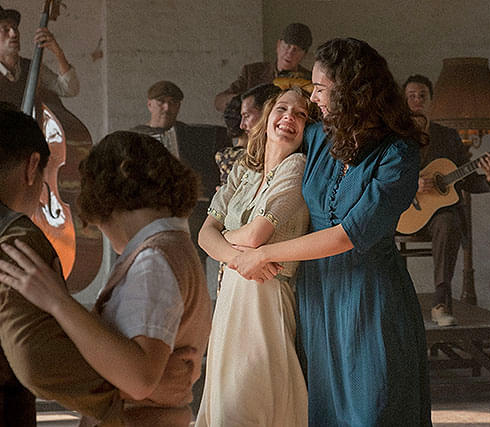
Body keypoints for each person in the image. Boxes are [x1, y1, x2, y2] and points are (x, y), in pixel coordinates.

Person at [229, 38, 431, 426]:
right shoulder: (318, 136)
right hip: (316, 294)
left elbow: (348, 234)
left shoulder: (399, 152)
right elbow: (268, 147)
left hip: (371, 295)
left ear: (351, 91)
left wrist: (263, 254)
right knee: (323, 412)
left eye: (320, 88)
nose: (314, 97)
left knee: (375, 408)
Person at [0, 125, 212, 426]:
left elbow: (139, 379)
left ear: (103, 197)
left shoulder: (153, 259)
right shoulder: (172, 248)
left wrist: (58, 302)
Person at [195, 86, 312, 426]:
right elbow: (203, 234)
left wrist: (223, 242)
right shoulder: (243, 169)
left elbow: (255, 235)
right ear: (268, 116)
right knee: (224, 401)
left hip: (265, 295)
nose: (289, 117)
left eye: (301, 114)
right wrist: (239, 257)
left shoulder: (297, 166)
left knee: (249, 402)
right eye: (282, 108)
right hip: (232, 291)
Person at [403, 74, 490, 326]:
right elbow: (381, 176)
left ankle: (440, 303)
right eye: (411, 96)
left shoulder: (448, 136)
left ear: (431, 100)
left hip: (437, 216)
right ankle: (393, 306)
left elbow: (466, 179)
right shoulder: (394, 136)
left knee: (449, 222)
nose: (417, 100)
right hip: (402, 212)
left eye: (422, 95)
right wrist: (411, 185)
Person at [131, 80, 231, 265]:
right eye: (161, 102)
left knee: (191, 260)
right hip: (149, 213)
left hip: (187, 216)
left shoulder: (191, 136)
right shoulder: (134, 137)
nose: (167, 108)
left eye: (173, 103)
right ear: (149, 104)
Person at [214, 22, 312, 112]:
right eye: (287, 46)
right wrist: (245, 100)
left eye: (296, 50)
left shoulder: (309, 80)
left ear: (304, 55)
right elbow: (219, 102)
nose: (290, 53)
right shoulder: (253, 72)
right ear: (278, 45)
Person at [0, 5, 79, 110]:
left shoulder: (32, 68)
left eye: (15, 28)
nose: (14, 34)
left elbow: (70, 89)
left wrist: (58, 52)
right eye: (6, 29)